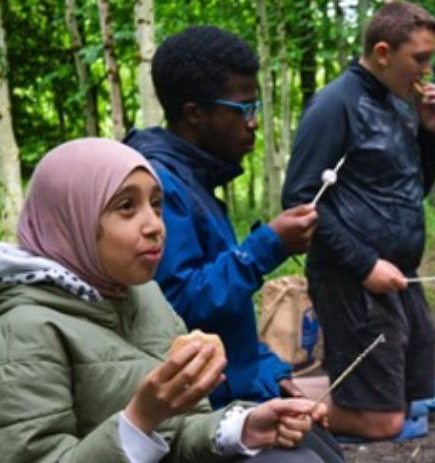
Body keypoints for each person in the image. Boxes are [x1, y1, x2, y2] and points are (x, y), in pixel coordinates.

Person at [0, 138, 333, 463]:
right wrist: (140, 419)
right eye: (126, 206)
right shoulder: (16, 338)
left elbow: (179, 431)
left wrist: (240, 427)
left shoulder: (143, 298)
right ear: (71, 219)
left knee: (305, 450)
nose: (154, 226)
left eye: (156, 204)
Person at [124, 26, 318, 409]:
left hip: (232, 387)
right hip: (202, 411)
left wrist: (269, 372)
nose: (254, 123)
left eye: (256, 107)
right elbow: (177, 309)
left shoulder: (193, 179)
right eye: (243, 109)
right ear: (194, 114)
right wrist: (265, 247)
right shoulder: (160, 187)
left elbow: (225, 323)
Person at [281, 2, 435, 440]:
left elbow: (412, 190)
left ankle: (320, 387)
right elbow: (299, 199)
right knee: (384, 421)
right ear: (383, 52)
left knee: (411, 396)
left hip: (397, 274)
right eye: (420, 59)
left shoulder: (398, 104)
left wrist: (429, 134)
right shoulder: (335, 104)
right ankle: (271, 403)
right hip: (350, 276)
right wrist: (364, 265)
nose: (427, 71)